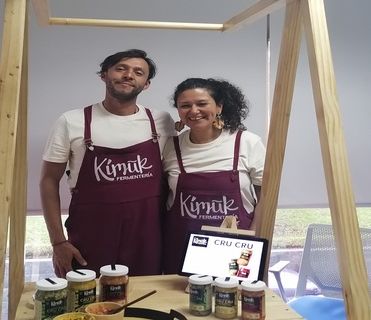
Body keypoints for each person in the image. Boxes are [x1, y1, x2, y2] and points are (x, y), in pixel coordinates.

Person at [40, 49, 174, 277]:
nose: (128, 75)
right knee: (86, 297)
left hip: (147, 237)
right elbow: (48, 181)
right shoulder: (72, 121)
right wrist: (58, 242)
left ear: (146, 84)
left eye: (138, 72)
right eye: (121, 68)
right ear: (104, 75)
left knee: (147, 296)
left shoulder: (161, 121)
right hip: (90, 235)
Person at [162, 78, 265, 274]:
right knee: (180, 293)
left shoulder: (246, 142)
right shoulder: (171, 147)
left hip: (235, 248)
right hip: (181, 248)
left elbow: (266, 196)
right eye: (185, 106)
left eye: (202, 103)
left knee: (232, 293)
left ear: (219, 107)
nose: (194, 111)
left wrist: (253, 236)